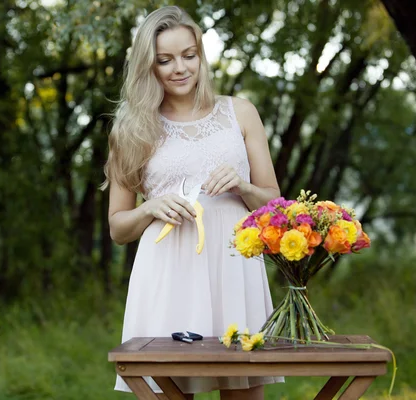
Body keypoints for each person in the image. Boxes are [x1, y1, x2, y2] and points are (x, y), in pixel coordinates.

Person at [103, 5, 282, 400]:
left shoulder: (240, 113)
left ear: (201, 55)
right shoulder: (133, 128)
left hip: (235, 268)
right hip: (167, 273)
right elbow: (118, 227)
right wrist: (149, 208)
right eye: (165, 60)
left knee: (244, 390)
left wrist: (242, 187)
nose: (179, 68)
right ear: (148, 66)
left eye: (189, 55)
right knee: (168, 389)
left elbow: (275, 205)